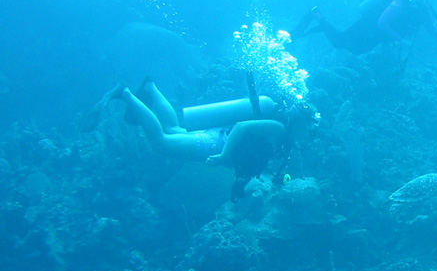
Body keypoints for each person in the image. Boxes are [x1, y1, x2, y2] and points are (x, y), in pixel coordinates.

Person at [92, 79, 319, 201]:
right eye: (308, 129)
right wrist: (224, 155)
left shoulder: (284, 136)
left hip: (218, 138)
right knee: (160, 142)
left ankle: (150, 88)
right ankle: (125, 94)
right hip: (215, 145)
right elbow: (241, 127)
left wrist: (240, 183)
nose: (308, 135)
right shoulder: (279, 128)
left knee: (172, 129)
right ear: (298, 122)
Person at [292, 0, 437, 56]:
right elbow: (382, 23)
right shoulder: (399, 2)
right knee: (340, 43)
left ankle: (322, 23)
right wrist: (400, 40)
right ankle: (317, 15)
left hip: (378, 35)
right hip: (367, 26)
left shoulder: (423, 7)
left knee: (357, 50)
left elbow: (431, 25)